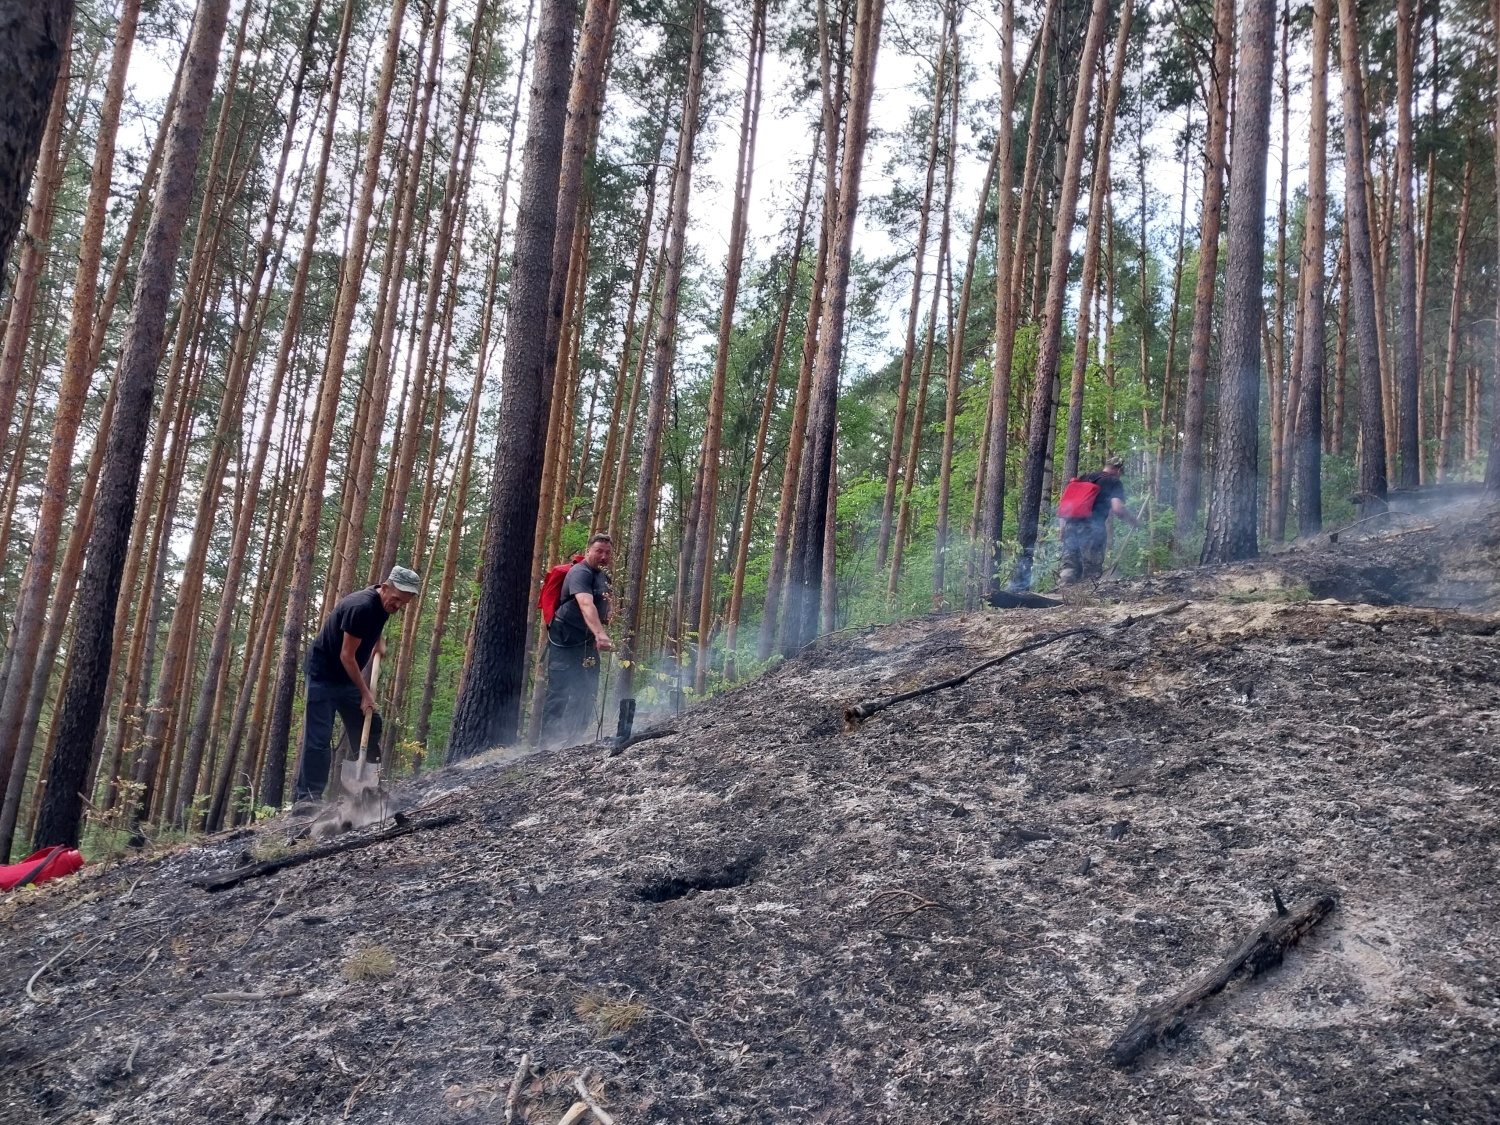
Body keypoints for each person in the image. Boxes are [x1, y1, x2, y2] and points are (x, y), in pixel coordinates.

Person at [293, 567, 420, 801]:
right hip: (324, 674)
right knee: (318, 739)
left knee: (369, 725)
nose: (398, 605)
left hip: (346, 677)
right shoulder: (360, 607)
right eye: (396, 599)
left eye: (404, 602)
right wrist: (365, 693)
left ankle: (368, 789)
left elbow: (375, 621)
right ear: (384, 587)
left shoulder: (383, 603)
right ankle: (307, 800)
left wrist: (377, 642)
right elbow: (346, 656)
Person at [543, 534, 614, 744]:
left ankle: (574, 741)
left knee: (588, 687)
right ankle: (548, 744)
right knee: (560, 689)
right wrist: (600, 634)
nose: (603, 556)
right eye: (599, 551)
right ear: (589, 550)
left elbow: (607, 600)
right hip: (565, 637)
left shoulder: (604, 576)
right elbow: (585, 604)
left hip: (586, 639)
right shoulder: (579, 572)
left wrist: (608, 615)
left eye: (607, 553)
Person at [1058, 456, 1138, 586]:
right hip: (1092, 529)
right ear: (1119, 470)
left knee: (1069, 567)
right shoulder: (1113, 481)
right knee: (1091, 569)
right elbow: (1118, 507)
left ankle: (1063, 597)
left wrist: (1062, 530)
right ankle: (1087, 600)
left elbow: (1065, 505)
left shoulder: (1085, 477)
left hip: (1070, 526)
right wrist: (1132, 520)